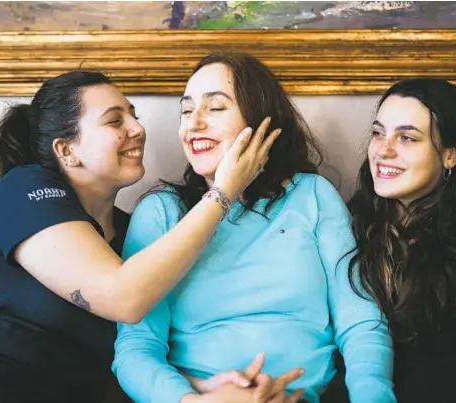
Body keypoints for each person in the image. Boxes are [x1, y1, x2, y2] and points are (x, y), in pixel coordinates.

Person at [0, 70, 278, 403]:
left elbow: (128, 351)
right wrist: (225, 191)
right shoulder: (23, 190)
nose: (138, 129)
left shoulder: (133, 233)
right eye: (114, 121)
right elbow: (122, 298)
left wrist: (202, 387)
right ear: (66, 150)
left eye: (134, 115)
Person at [112, 53, 397, 403]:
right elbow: (136, 348)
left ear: (261, 121)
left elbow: (360, 320)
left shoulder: (311, 194)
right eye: (186, 111)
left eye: (215, 108)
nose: (194, 124)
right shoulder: (161, 212)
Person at [345, 78, 456, 403]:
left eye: (407, 137)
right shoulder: (353, 220)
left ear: (451, 155)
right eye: (379, 132)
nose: (384, 150)